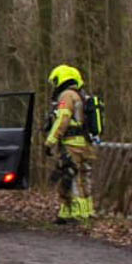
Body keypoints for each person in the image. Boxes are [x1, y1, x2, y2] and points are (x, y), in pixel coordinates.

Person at [42, 63, 97, 223]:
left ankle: (76, 213)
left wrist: (50, 141)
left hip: (71, 144)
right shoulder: (81, 95)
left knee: (71, 177)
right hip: (85, 144)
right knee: (83, 176)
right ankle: (84, 211)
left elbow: (62, 119)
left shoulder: (66, 96)